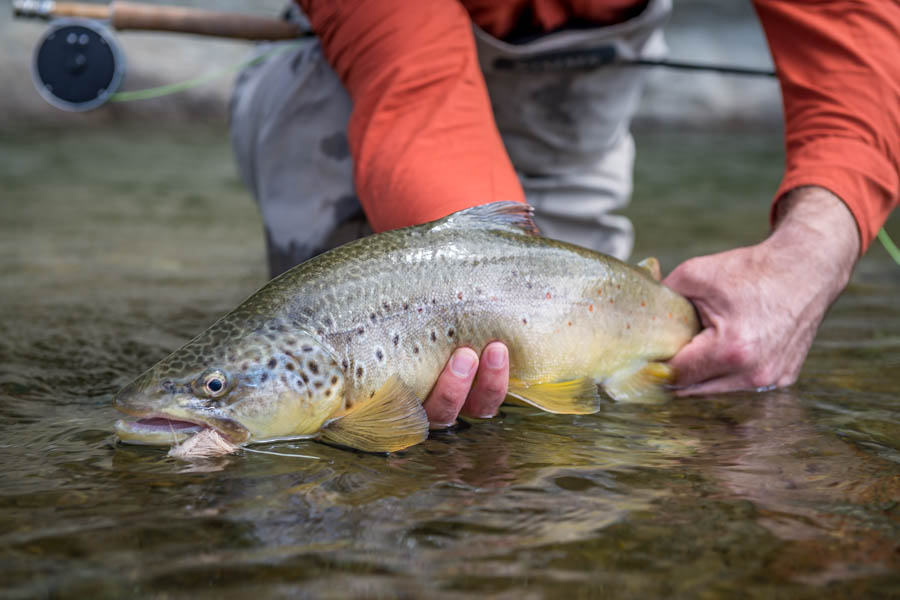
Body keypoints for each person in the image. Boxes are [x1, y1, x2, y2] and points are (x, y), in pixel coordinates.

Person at [230, 0, 899, 428]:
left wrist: (814, 252)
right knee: (350, 376)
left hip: (580, 96)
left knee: (576, 406)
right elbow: (418, 93)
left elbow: (851, 25)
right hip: (371, 87)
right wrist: (486, 298)